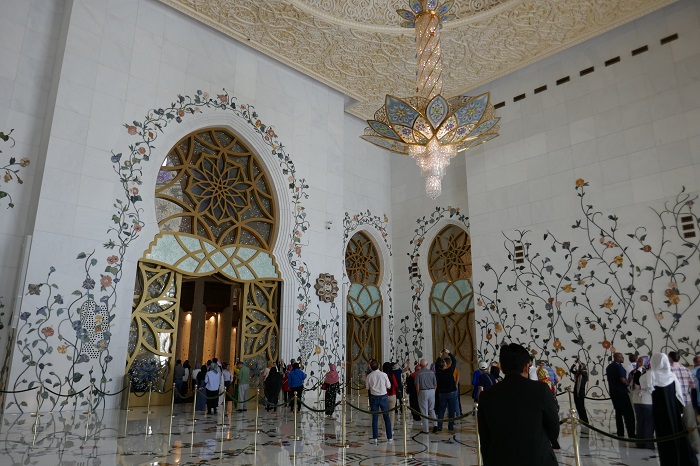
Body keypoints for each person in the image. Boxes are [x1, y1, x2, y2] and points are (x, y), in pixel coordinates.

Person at [478, 343, 559, 466]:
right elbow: (553, 430)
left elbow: (485, 439)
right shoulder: (541, 390)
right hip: (537, 459)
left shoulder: (486, 396)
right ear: (526, 367)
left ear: (502, 368)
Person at [649, 353, 698, 466]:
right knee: (686, 429)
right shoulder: (679, 372)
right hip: (679, 405)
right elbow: (691, 386)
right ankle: (693, 450)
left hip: (660, 412)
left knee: (665, 436)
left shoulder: (652, 376)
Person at [668, 351, 700, 452]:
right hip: (687, 400)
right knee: (691, 424)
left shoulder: (669, 370)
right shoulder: (686, 369)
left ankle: (676, 447)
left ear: (670, 359)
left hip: (674, 401)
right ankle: (696, 447)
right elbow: (693, 385)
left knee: (673, 424)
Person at [606, 352, 635, 438]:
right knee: (628, 413)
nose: (623, 358)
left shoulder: (609, 367)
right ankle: (631, 433)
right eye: (621, 357)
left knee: (618, 412)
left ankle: (620, 432)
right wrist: (629, 385)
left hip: (613, 392)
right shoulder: (619, 367)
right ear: (617, 358)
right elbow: (622, 379)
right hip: (621, 392)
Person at [366, 359, 393, 444]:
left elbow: (367, 388)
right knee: (386, 417)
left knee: (375, 418)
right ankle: (389, 437)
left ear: (371, 367)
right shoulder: (384, 374)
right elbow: (389, 386)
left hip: (374, 397)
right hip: (383, 397)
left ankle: (375, 438)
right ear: (378, 366)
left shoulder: (369, 376)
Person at [435, 349, 458, 433]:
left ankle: (439, 427)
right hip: (451, 392)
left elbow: (436, 364)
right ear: (445, 365)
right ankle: (450, 427)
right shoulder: (449, 370)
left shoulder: (438, 372)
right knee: (451, 410)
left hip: (442, 393)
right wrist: (449, 353)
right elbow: (454, 361)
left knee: (441, 410)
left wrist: (439, 356)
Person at [634, 361, 654, 450]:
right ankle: (648, 444)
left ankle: (640, 443)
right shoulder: (652, 374)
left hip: (638, 400)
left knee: (640, 423)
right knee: (648, 423)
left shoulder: (642, 375)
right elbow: (651, 387)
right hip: (648, 401)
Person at [415, 358, 437, 434]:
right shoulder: (432, 372)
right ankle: (435, 425)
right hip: (432, 391)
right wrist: (434, 391)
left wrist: (418, 393)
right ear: (427, 365)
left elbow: (417, 385)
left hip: (423, 392)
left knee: (424, 411)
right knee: (432, 409)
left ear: (420, 365)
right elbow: (435, 384)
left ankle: (426, 429)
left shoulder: (419, 373)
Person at [570, 358, 589, 423]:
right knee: (577, 406)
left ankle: (585, 421)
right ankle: (581, 419)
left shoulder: (585, 374)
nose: (579, 368)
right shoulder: (578, 374)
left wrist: (580, 363)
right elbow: (571, 370)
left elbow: (581, 371)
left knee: (581, 407)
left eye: (580, 367)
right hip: (576, 391)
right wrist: (575, 363)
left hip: (581, 391)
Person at [382, 362, 399, 428]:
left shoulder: (382, 375)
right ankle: (391, 428)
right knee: (392, 413)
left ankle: (384, 428)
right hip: (392, 395)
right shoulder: (392, 375)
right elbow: (395, 384)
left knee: (384, 413)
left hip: (384, 395)